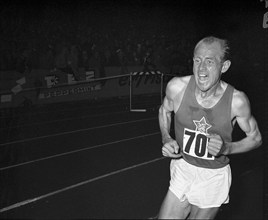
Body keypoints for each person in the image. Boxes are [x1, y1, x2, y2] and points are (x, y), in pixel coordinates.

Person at [158, 36, 262, 219]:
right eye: (197, 60)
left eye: (209, 62)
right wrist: (166, 137)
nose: (201, 69)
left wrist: (227, 148)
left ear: (224, 66)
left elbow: (255, 139)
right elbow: (164, 110)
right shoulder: (176, 87)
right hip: (184, 167)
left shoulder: (236, 101)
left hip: (213, 177)